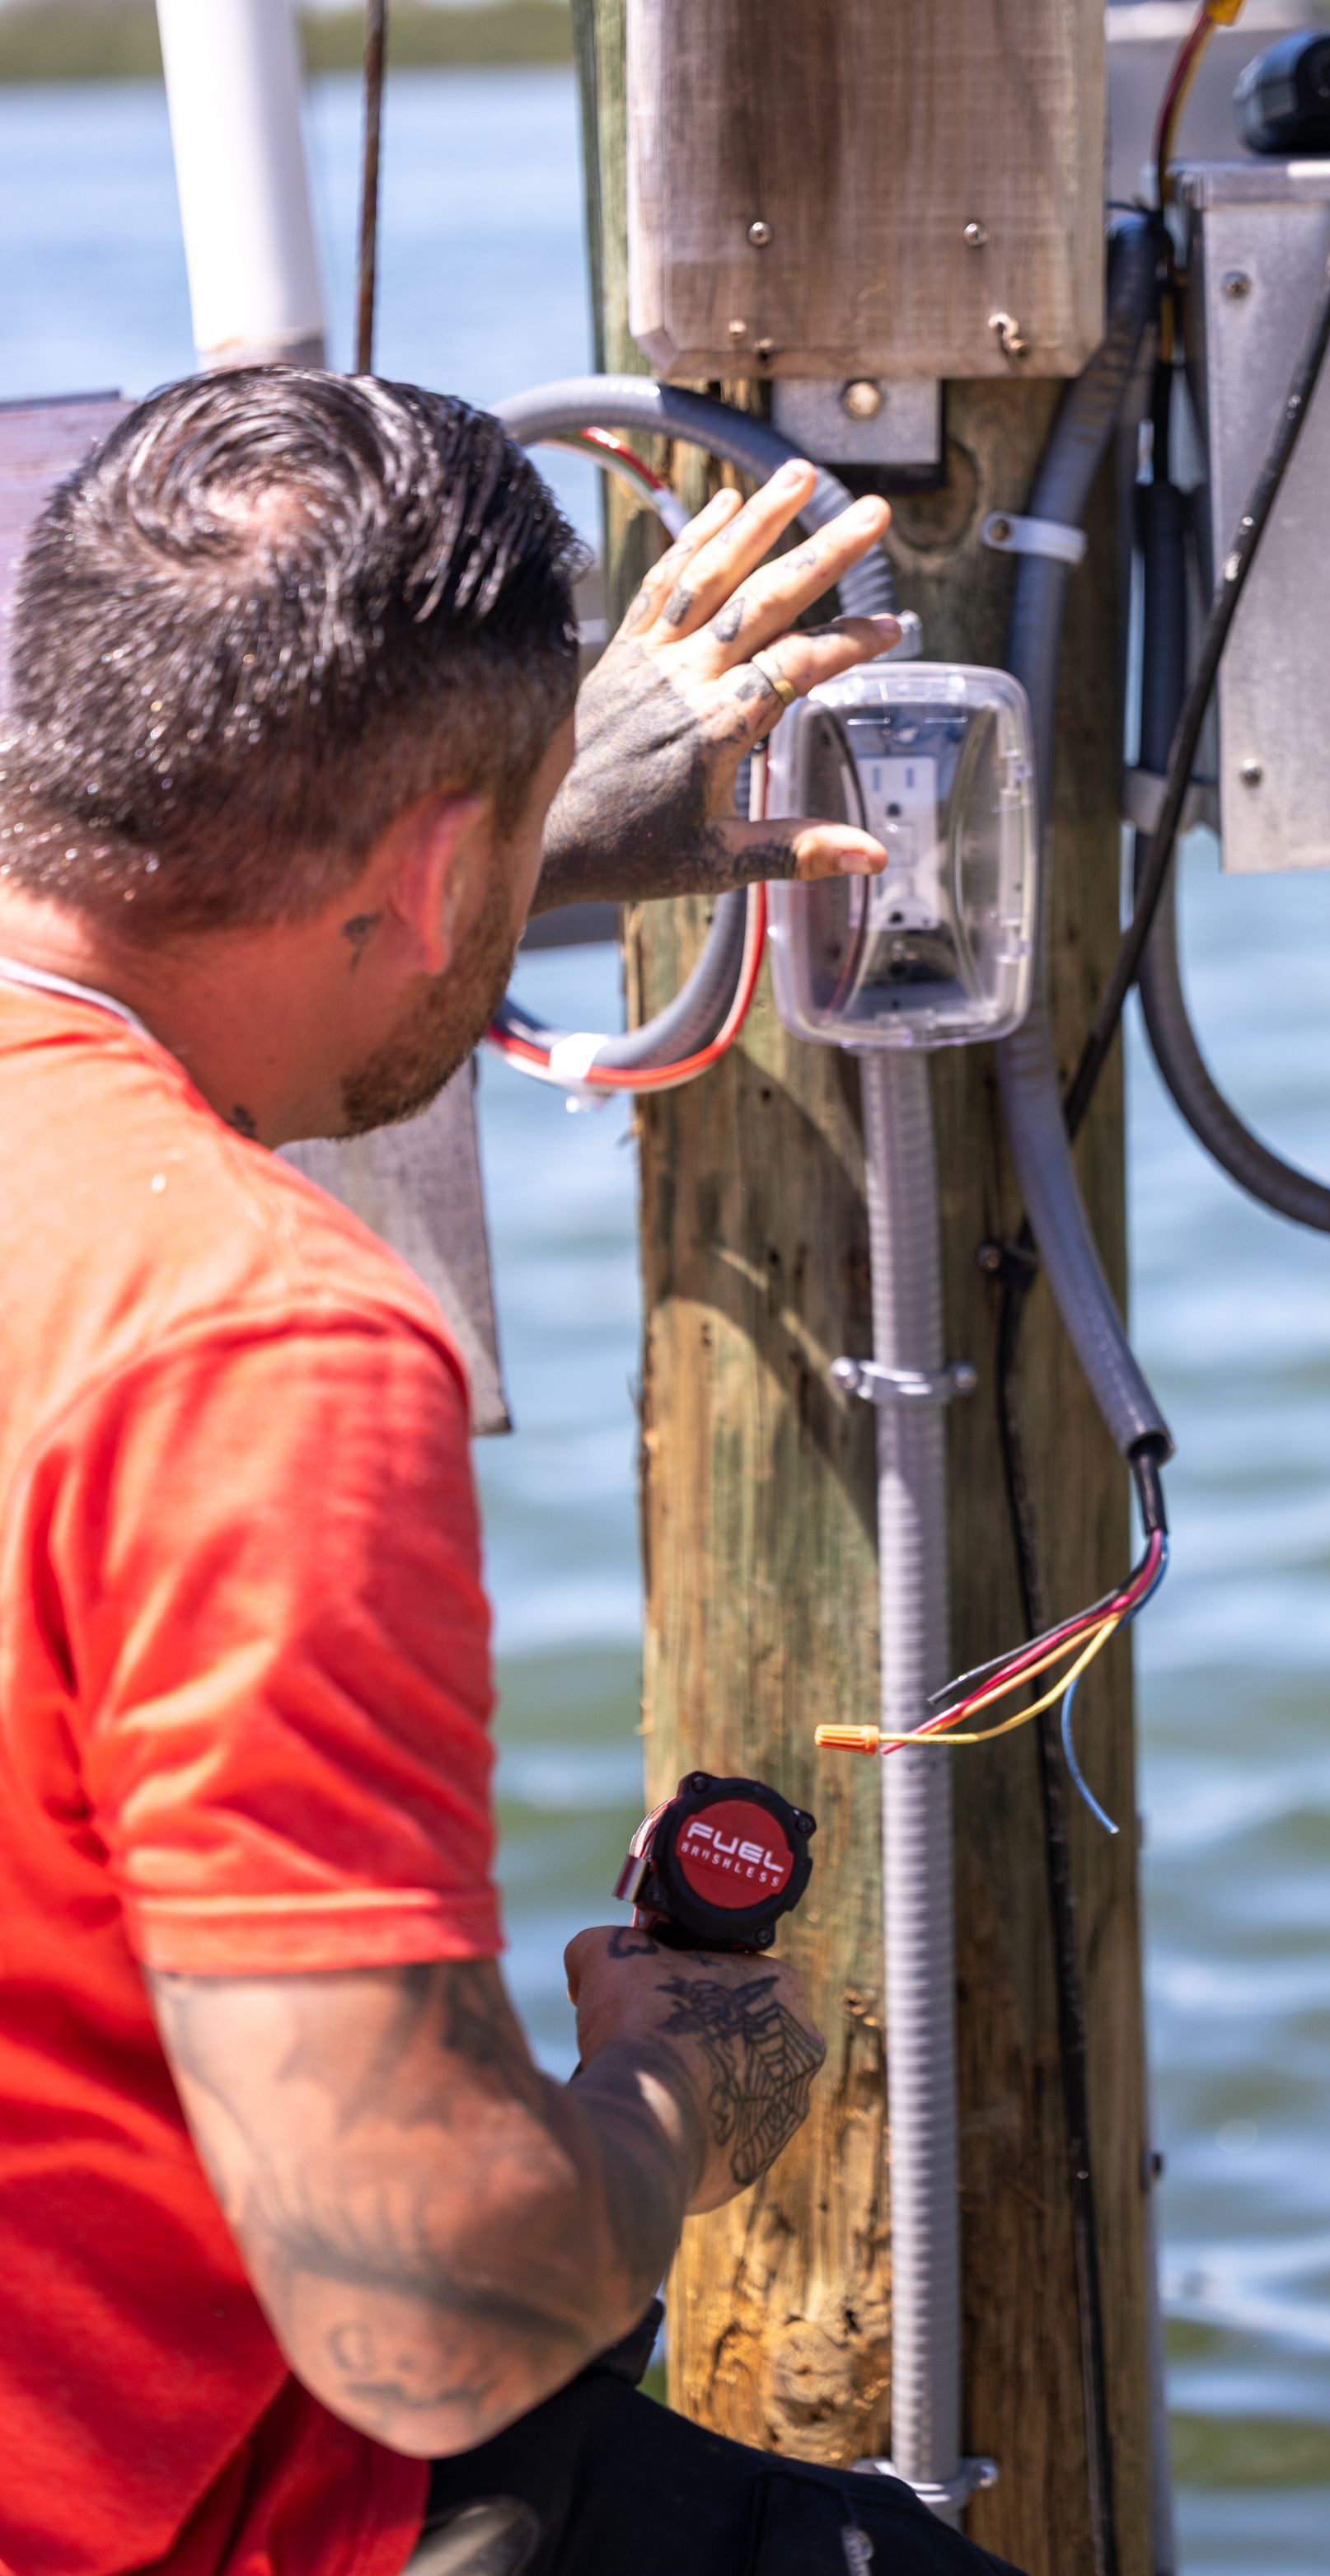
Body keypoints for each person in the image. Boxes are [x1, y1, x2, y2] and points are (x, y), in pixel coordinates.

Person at [0, 369, 1022, 2576]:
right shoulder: (249, 1342)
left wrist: (496, 849)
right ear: (438, 862)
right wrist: (673, 2100)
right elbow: (421, 2314)